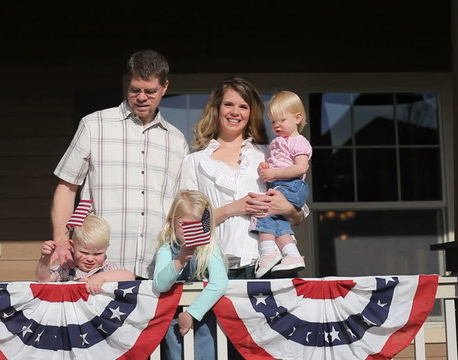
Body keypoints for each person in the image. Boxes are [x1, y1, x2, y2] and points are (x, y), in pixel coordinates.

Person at [49, 49, 189, 279]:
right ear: (126, 84)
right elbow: (66, 187)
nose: (142, 97)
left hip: (155, 270)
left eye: (150, 91)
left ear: (164, 87)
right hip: (96, 269)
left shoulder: (176, 140)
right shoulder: (94, 125)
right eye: (135, 90)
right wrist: (61, 241)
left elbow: (180, 207)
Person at [180, 77, 304, 280]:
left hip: (268, 268)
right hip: (214, 271)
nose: (235, 112)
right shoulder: (194, 162)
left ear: (251, 113)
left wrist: (287, 208)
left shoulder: (270, 152)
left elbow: (297, 217)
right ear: (217, 108)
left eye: (243, 106)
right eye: (228, 104)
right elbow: (187, 230)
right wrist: (233, 208)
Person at [153, 190, 229, 360]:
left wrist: (192, 313)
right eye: (186, 225)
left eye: (198, 226)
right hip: (173, 318)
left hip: (204, 316)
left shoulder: (209, 247)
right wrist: (180, 259)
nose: (191, 231)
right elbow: (159, 284)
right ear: (173, 222)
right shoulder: (167, 247)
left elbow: (220, 282)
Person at [254, 91, 312, 278]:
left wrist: (274, 173)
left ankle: (268, 252)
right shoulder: (278, 142)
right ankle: (292, 254)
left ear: (297, 118)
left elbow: (300, 168)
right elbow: (278, 163)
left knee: (264, 212)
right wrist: (266, 167)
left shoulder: (299, 141)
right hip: (282, 184)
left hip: (292, 185)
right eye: (273, 122)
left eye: (281, 120)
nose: (276, 125)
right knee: (277, 221)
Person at [35, 214, 135, 294]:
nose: (90, 258)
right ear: (72, 246)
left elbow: (129, 276)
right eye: (84, 252)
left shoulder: (108, 269)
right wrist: (45, 258)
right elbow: (43, 279)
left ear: (106, 249)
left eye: (98, 254)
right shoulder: (65, 268)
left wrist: (100, 278)